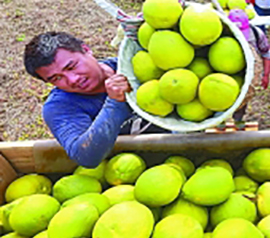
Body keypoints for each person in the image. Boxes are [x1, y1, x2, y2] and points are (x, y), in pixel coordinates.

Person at [24, 32, 165, 168]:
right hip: (127, 169)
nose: (73, 79)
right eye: (57, 78)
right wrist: (115, 103)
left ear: (86, 50)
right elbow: (86, 157)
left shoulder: (135, 67)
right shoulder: (60, 107)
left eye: (71, 66)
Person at [227, 9, 270, 127]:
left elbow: (266, 53)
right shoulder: (222, 33)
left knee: (243, 95)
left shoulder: (257, 34)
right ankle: (220, 118)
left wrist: (266, 75)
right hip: (225, 69)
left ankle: (238, 118)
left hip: (248, 72)